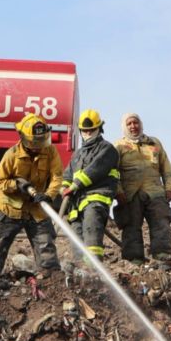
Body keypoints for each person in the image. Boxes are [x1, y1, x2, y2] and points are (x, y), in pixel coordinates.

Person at [0, 113, 63, 275]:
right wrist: (16, 186)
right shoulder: (12, 154)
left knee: (45, 244)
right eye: (34, 142)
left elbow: (57, 177)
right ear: (23, 137)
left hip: (36, 207)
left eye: (41, 141)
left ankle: (51, 278)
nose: (38, 146)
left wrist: (48, 195)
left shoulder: (50, 152)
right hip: (11, 207)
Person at [114, 113, 171, 268]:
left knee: (161, 223)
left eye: (135, 122)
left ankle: (163, 257)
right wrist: (118, 191)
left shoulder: (154, 143)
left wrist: (169, 188)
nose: (133, 126)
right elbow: (113, 172)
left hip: (155, 192)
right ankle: (134, 261)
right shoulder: (118, 146)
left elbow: (166, 168)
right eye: (129, 123)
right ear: (124, 127)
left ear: (140, 124)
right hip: (130, 194)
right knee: (131, 226)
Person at [62, 109, 120, 262]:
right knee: (77, 239)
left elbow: (95, 169)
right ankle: (81, 269)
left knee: (91, 234)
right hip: (76, 203)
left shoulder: (107, 149)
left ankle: (93, 269)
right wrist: (64, 186)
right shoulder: (78, 154)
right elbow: (68, 174)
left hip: (96, 198)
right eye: (84, 130)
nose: (87, 133)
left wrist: (74, 185)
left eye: (91, 130)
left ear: (99, 128)